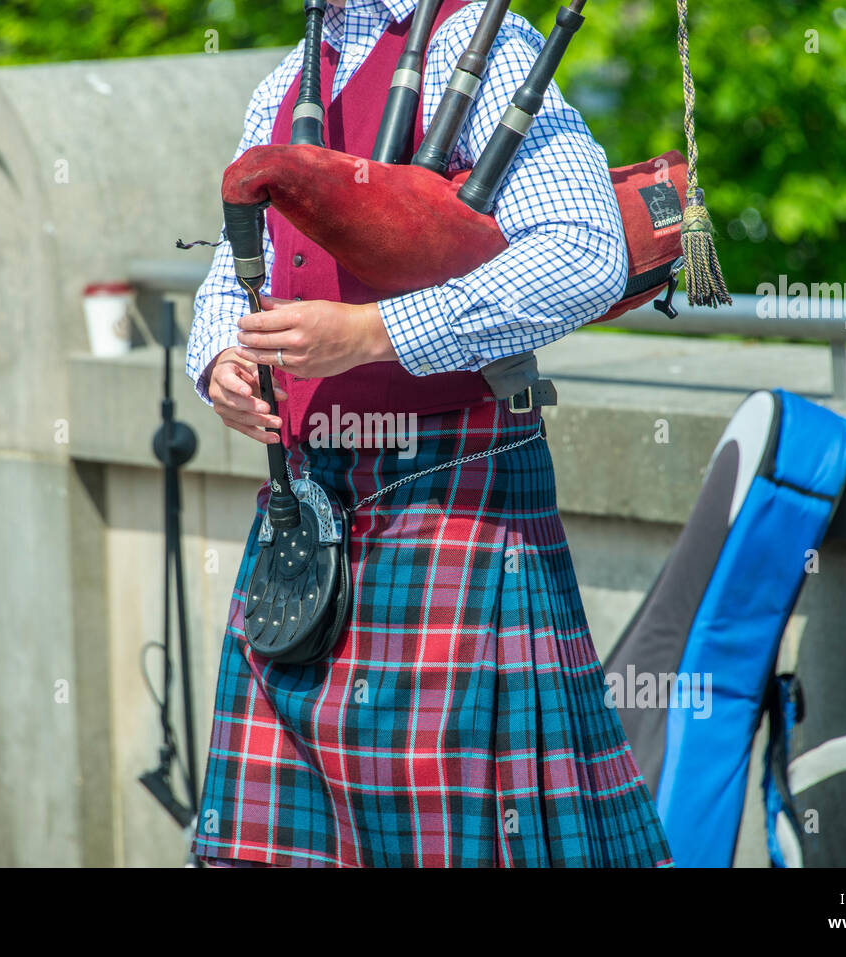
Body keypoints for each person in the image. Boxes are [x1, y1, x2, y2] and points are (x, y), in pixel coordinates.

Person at [185, 0, 672, 867]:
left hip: (452, 493)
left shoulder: (476, 38)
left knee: (455, 840)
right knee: (283, 844)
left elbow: (587, 250)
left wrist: (375, 335)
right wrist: (220, 353)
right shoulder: (289, 76)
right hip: (308, 507)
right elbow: (237, 259)